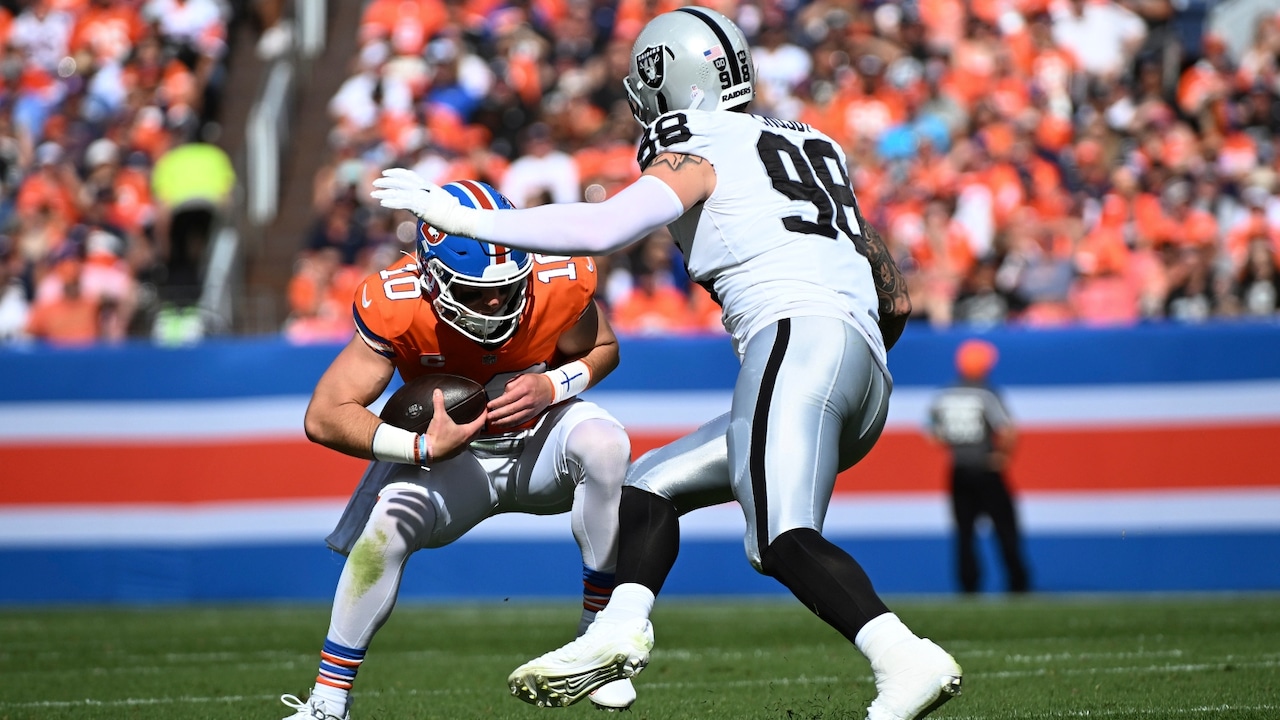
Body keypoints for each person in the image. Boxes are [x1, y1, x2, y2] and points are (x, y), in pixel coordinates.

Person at [371, 8, 962, 720]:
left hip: (798, 337)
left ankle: (903, 657)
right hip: (860, 356)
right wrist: (841, 368)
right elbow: (888, 290)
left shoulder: (698, 139)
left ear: (672, 81)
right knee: (649, 487)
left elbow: (605, 227)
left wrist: (465, 219)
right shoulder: (811, 141)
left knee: (780, 537)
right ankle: (617, 632)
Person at [280, 179, 637, 719]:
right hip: (457, 464)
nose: (494, 300)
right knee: (385, 529)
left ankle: (596, 645)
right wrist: (420, 446)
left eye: (507, 285)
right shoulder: (398, 304)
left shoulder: (558, 277)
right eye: (474, 290)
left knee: (605, 443)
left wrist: (554, 385)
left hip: (541, 445)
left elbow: (603, 348)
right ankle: (328, 705)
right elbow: (324, 415)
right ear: (430, 276)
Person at [927, 339, 1031, 594]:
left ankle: (968, 585)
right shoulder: (986, 393)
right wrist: (1002, 456)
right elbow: (1007, 431)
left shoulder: (945, 395)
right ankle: (1017, 583)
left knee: (964, 533)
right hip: (986, 469)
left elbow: (933, 432)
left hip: (959, 469)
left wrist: (957, 445)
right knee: (1005, 528)